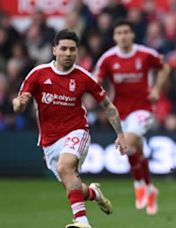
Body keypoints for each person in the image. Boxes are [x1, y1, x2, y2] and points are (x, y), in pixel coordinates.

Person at [13, 29, 127, 228]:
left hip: (77, 131)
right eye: (64, 49)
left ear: (77, 52)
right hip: (49, 141)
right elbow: (18, 103)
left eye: (72, 50)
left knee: (65, 167)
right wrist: (20, 104)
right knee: (72, 183)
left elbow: (107, 105)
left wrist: (120, 134)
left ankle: (82, 223)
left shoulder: (84, 77)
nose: (68, 53)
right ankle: (95, 194)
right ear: (54, 50)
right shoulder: (39, 74)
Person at [93, 19, 170, 215]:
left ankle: (138, 184)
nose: (123, 36)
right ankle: (150, 187)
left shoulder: (145, 54)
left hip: (143, 109)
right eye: (119, 33)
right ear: (114, 36)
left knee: (127, 143)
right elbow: (96, 80)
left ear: (132, 34)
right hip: (120, 112)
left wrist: (156, 89)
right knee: (136, 149)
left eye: (126, 32)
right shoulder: (108, 59)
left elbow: (165, 67)